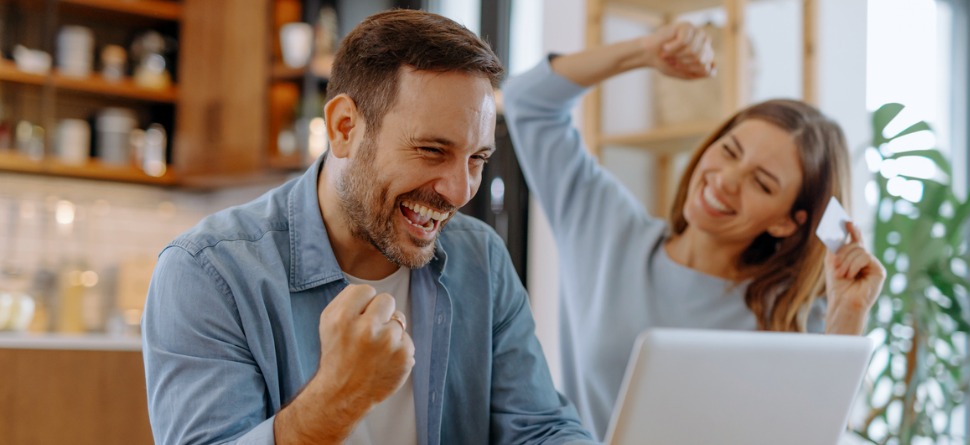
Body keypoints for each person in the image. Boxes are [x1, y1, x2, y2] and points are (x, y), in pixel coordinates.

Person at [142, 9, 596, 445]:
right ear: (344, 128)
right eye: (432, 151)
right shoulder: (208, 273)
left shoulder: (482, 258)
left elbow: (539, 429)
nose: (460, 192)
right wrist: (340, 396)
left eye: (476, 159)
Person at [502, 22, 887, 439]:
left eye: (761, 183)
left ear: (785, 221)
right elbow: (528, 100)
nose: (725, 180)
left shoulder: (794, 314)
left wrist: (847, 318)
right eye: (729, 150)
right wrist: (644, 52)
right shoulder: (605, 227)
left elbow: (810, 436)